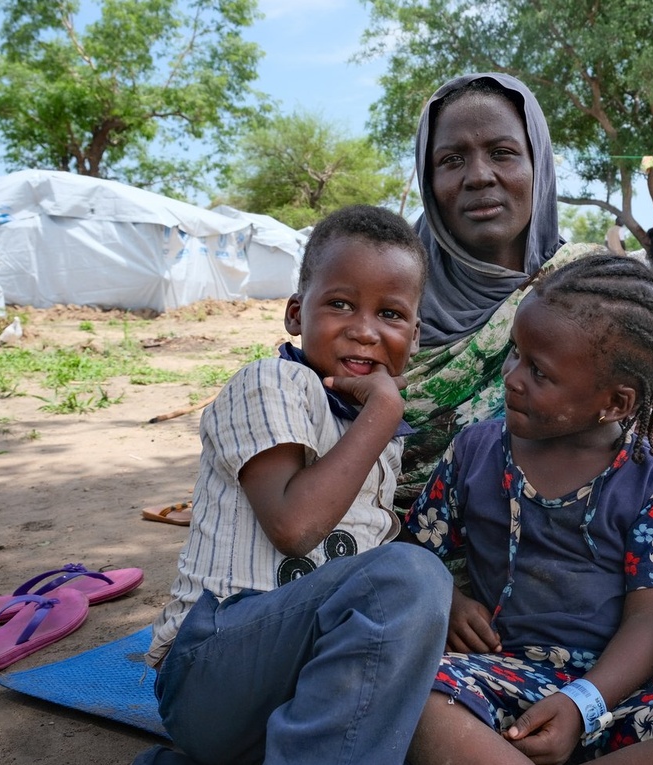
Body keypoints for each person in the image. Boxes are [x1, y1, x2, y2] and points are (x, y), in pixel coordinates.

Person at [402, 72, 653, 708]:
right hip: (433, 564)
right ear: (428, 177)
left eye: (503, 152)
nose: (478, 175)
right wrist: (427, 587)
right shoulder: (387, 296)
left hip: (613, 556)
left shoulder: (590, 287)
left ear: (539, 163)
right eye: (451, 159)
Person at [405, 254, 653, 765]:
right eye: (515, 355)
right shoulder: (473, 452)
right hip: (497, 674)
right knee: (410, 690)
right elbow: (413, 555)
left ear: (616, 403)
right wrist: (447, 597)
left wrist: (581, 704)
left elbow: (649, 625)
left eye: (539, 372)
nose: (513, 379)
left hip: (622, 692)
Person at [133, 205, 452, 765]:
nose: (365, 329)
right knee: (411, 575)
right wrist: (383, 412)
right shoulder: (271, 383)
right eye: (340, 304)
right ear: (294, 313)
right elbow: (295, 525)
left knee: (421, 599)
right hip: (213, 666)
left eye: (392, 313)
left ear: (416, 336)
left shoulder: (372, 426)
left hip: (293, 689)